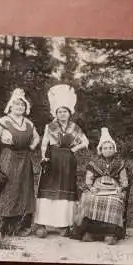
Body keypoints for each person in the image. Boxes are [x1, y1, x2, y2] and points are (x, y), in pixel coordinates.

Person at [34, 85, 89, 238]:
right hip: (52, 160)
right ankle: (42, 223)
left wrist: (74, 149)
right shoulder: (50, 127)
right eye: (59, 112)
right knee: (48, 190)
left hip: (68, 161)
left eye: (64, 111)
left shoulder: (74, 127)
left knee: (65, 190)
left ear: (69, 113)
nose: (62, 114)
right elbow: (44, 142)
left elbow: (85, 141)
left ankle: (63, 225)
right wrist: (44, 157)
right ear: (56, 113)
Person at [0, 88, 40, 238]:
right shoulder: (2, 122)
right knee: (5, 190)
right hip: (8, 158)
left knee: (24, 191)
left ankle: (20, 227)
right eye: (16, 105)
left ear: (26, 107)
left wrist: (31, 146)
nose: (19, 107)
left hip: (25, 160)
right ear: (10, 106)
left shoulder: (29, 123)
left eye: (22, 105)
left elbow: (37, 138)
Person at [75, 127, 129, 245]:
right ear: (100, 150)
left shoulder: (120, 164)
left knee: (114, 201)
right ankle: (90, 232)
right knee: (89, 199)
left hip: (113, 189)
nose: (108, 150)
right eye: (105, 148)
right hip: (97, 188)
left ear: (114, 149)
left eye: (110, 148)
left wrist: (121, 188)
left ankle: (110, 233)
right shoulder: (94, 163)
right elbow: (88, 179)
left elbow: (124, 181)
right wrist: (91, 187)